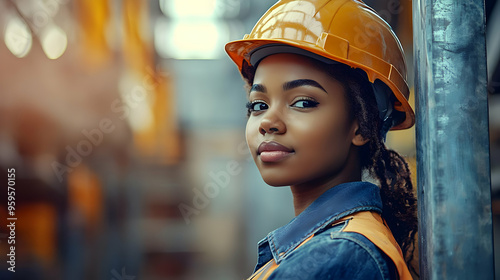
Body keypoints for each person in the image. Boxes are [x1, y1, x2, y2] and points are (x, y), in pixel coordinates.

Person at [225, 0, 418, 279]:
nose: (268, 122)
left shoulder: (339, 256)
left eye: (303, 102)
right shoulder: (331, 244)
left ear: (363, 126)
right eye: (258, 105)